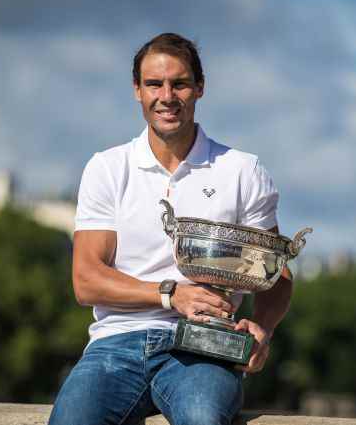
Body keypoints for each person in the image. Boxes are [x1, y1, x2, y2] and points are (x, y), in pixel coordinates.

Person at [48, 32, 293, 425]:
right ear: (137, 91)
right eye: (154, 84)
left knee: (202, 419)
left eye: (179, 83)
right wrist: (170, 295)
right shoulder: (108, 167)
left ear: (199, 88)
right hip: (115, 345)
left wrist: (262, 328)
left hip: (206, 348)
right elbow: (86, 280)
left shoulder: (243, 170)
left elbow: (277, 275)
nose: (167, 96)